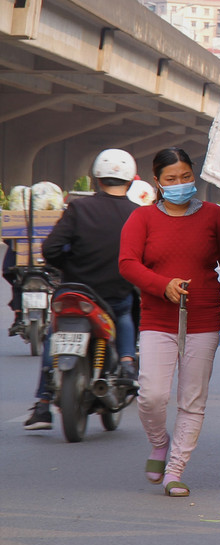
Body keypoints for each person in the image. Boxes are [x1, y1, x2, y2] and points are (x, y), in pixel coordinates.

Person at [118, 148, 220, 497]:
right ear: (156, 182)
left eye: (185, 176)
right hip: (157, 318)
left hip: (204, 317)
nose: (179, 184)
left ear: (194, 175)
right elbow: (128, 263)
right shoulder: (141, 219)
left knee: (192, 400)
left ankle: (175, 470)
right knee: (151, 395)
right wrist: (163, 285)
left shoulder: (215, 216)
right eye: (171, 179)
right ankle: (159, 443)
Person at [24, 150, 141, 431]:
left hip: (76, 291)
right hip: (114, 293)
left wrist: (69, 266)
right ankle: (126, 363)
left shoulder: (78, 208)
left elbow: (51, 249)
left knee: (55, 334)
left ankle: (42, 404)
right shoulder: (139, 214)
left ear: (96, 178)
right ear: (130, 180)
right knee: (126, 309)